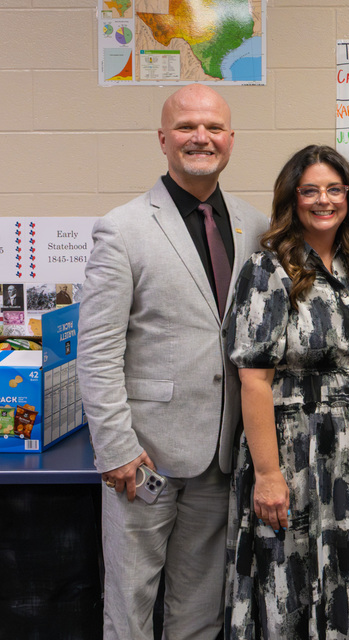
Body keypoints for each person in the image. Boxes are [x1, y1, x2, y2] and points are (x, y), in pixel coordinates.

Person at [78, 84, 269, 639]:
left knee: (200, 610)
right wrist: (115, 447)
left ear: (231, 139)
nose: (200, 138)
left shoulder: (254, 227)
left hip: (220, 457)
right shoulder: (124, 228)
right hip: (143, 459)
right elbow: (97, 348)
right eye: (186, 127)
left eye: (213, 128)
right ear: (163, 139)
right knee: (131, 610)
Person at [224, 145, 349, 638]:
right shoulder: (268, 269)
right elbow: (253, 377)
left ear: (348, 195)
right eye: (310, 190)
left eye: (334, 189)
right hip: (297, 449)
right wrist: (267, 473)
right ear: (292, 198)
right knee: (293, 569)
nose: (323, 200)